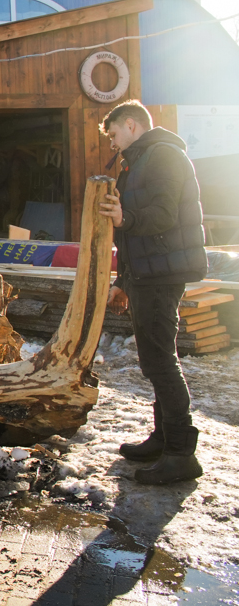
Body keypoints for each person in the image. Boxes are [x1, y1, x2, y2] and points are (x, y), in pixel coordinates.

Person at [99, 99, 207, 485]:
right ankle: (164, 440)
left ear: (131, 124)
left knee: (160, 362)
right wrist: (123, 282)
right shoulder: (138, 162)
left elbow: (164, 215)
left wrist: (124, 217)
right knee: (155, 360)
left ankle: (180, 454)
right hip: (147, 273)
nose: (113, 143)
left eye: (114, 134)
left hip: (162, 274)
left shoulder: (163, 156)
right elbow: (131, 237)